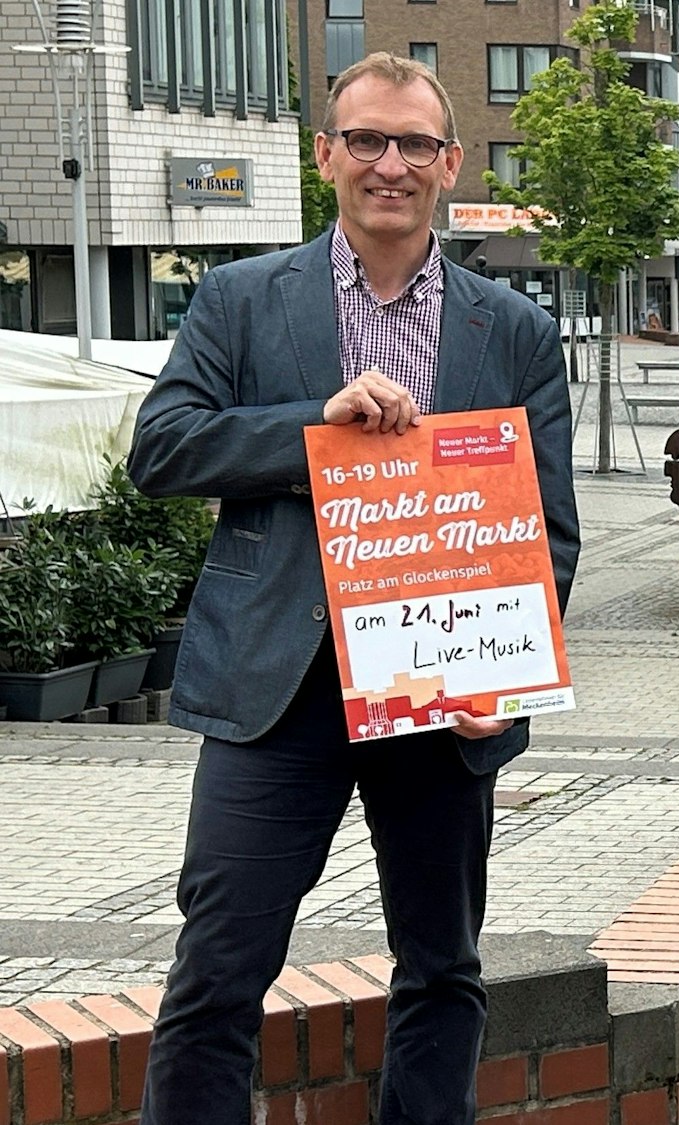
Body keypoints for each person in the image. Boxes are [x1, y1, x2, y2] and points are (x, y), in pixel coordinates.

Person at [127, 52, 579, 1125]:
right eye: (367, 140)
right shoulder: (242, 300)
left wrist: (499, 652)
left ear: (450, 164)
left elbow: (549, 530)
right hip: (273, 691)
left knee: (442, 967)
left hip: (440, 691)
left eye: (414, 144)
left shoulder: (510, 328)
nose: (390, 164)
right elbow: (163, 449)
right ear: (325, 154)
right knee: (217, 972)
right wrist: (310, 433)